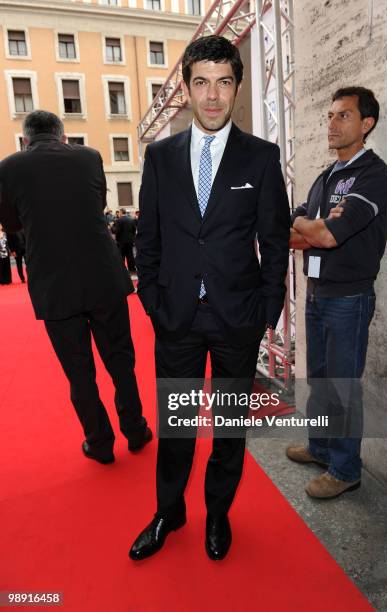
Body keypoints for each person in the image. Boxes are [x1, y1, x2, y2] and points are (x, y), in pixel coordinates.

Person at [130, 35, 290, 561]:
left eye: (224, 82)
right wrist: (152, 298)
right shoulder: (160, 156)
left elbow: (274, 240)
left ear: (237, 86)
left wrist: (268, 309)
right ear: (187, 88)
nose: (214, 95)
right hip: (175, 317)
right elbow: (147, 238)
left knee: (228, 431)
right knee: (176, 427)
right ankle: (169, 512)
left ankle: (218, 514)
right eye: (202, 82)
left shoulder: (262, 159)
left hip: (236, 321)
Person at [0, 110, 151, 464]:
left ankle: (99, 443)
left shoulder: (8, 167)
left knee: (79, 373)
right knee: (121, 363)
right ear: (63, 136)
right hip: (102, 277)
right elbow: (96, 204)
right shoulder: (90, 157)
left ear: (25, 139)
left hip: (54, 285)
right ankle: (135, 429)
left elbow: (10, 222)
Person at [286, 87, 387, 499]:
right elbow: (294, 234)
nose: (331, 123)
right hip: (317, 292)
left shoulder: (372, 174)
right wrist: (311, 225)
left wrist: (316, 228)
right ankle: (321, 448)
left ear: (366, 125)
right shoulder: (326, 176)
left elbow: (328, 236)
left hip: (349, 297)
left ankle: (346, 469)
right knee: (320, 380)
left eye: (343, 116)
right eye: (330, 115)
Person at [113, 208, 137, 274]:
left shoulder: (118, 220)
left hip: (122, 241)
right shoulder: (131, 219)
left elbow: (117, 231)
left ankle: (122, 270)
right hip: (130, 240)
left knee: (121, 256)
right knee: (130, 255)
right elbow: (134, 229)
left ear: (121, 212)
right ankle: (132, 269)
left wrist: (117, 239)